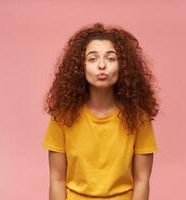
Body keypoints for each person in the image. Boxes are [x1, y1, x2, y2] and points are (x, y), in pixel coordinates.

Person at [42, 22, 160, 200]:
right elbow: (56, 180)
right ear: (80, 67)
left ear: (124, 67)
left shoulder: (139, 118)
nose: (102, 65)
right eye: (92, 59)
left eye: (111, 58)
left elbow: (142, 180)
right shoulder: (61, 118)